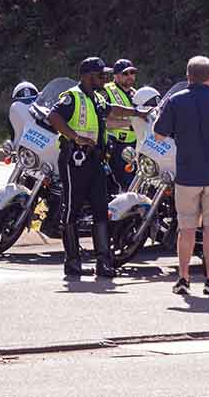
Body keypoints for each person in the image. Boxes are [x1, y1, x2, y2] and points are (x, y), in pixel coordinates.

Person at [47, 57, 150, 278]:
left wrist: (137, 113)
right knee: (71, 210)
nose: (105, 78)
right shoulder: (72, 96)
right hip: (75, 160)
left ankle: (104, 262)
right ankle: (72, 261)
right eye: (100, 74)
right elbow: (53, 116)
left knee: (101, 211)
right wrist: (75, 137)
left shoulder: (97, 97)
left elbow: (112, 109)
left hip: (96, 161)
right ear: (88, 76)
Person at [154, 56, 209, 295]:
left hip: (187, 175)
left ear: (188, 77)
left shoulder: (175, 101)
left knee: (186, 229)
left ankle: (183, 279)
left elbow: (159, 135)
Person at [101, 59, 139, 191]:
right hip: (114, 146)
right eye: (125, 73)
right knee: (125, 184)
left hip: (135, 146)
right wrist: (130, 124)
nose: (130, 76)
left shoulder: (136, 93)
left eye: (132, 72)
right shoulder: (106, 92)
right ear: (115, 76)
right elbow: (102, 121)